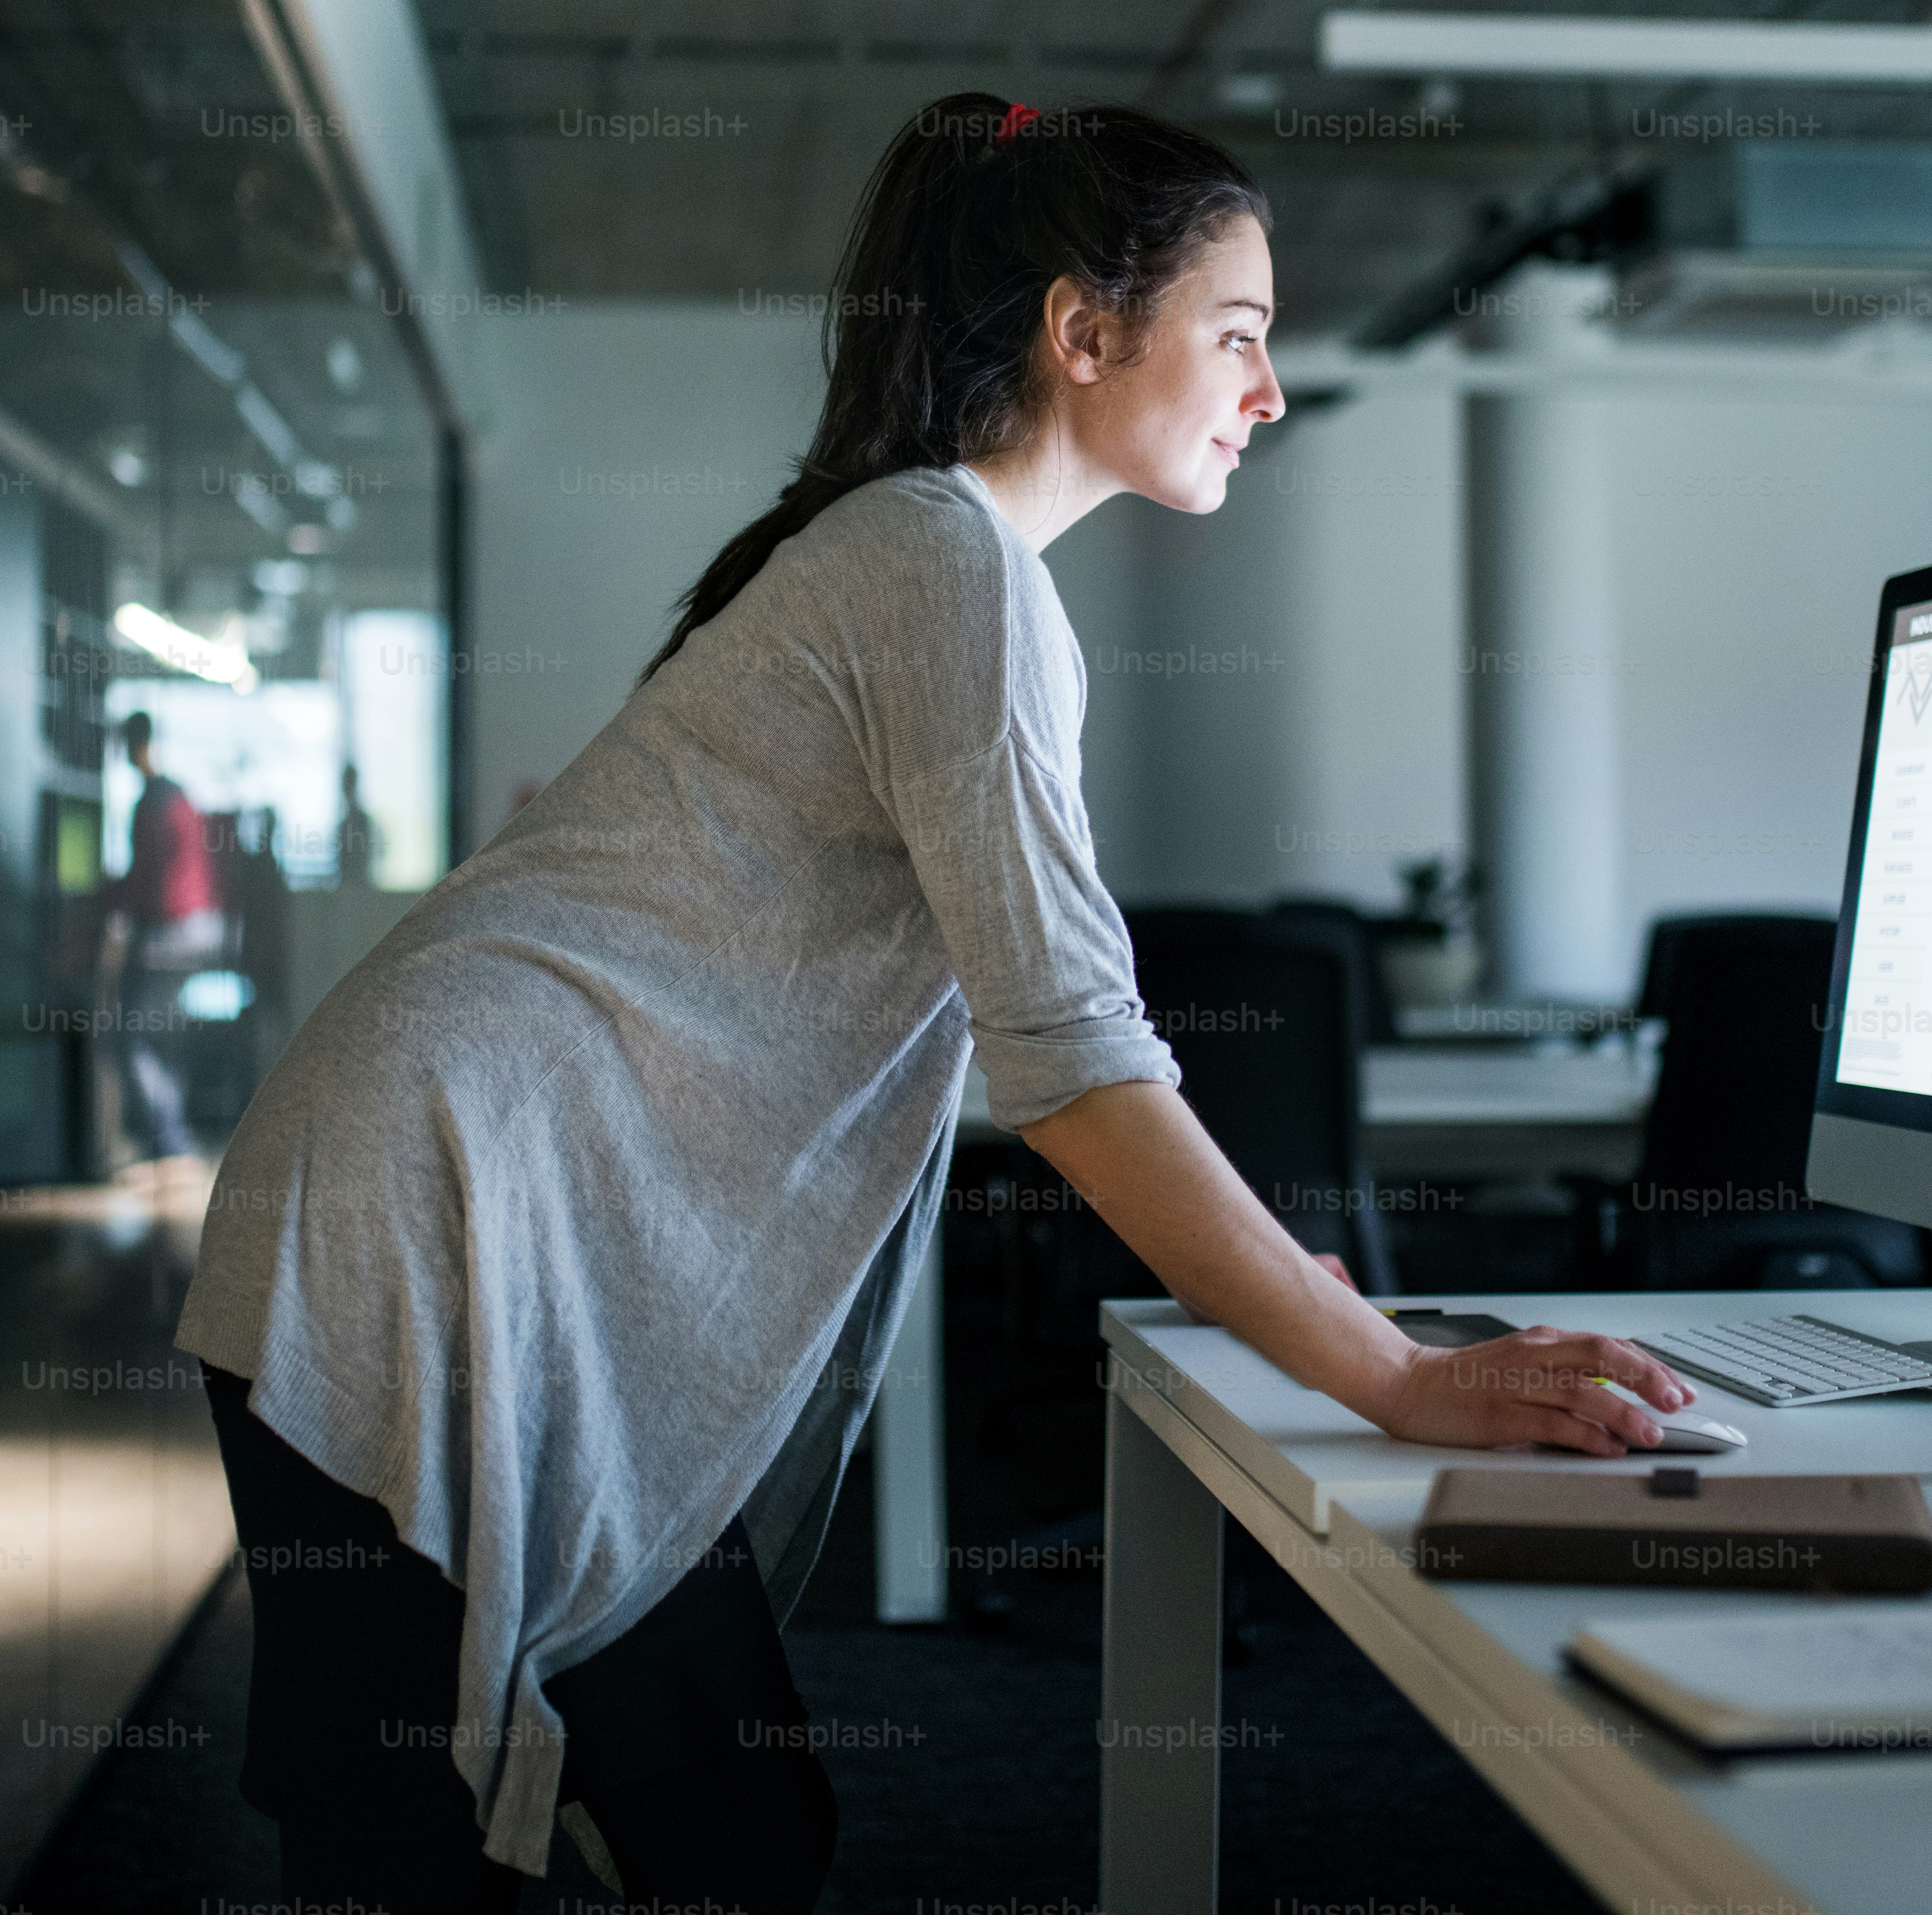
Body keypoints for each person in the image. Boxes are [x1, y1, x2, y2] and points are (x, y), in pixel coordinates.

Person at [173, 94, 1693, 1909]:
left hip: (472, 1219)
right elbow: (1074, 1058)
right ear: (1081, 332)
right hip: (419, 1226)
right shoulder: (947, 563)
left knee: (727, 1820)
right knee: (424, 1852)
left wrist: (1275, 1281)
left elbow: (1040, 1030)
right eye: (1242, 331)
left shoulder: (932, 558)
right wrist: (1382, 1367)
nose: (1269, 389)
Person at [108, 709, 228, 1166]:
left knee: (132, 1036)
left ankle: (169, 1140)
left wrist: (111, 913)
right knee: (165, 1035)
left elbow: (144, 881)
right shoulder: (180, 796)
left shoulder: (151, 803)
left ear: (131, 746)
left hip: (167, 937)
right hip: (201, 933)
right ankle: (171, 1134)